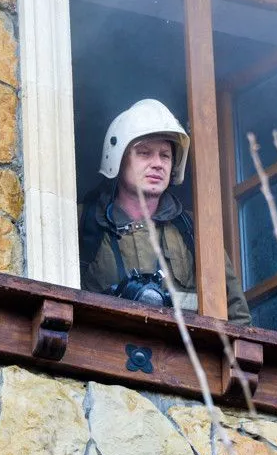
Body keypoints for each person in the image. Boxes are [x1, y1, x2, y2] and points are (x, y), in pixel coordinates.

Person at [79, 99, 252, 326]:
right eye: (144, 153)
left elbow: (237, 318)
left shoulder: (194, 230)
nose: (158, 164)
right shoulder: (82, 222)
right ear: (118, 159)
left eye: (165, 155)